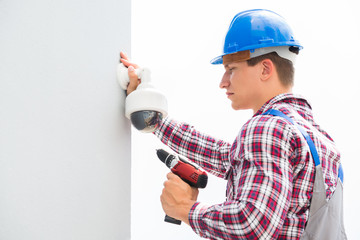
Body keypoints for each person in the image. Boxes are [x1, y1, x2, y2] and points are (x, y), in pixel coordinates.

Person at [120, 9, 346, 240]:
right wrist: (154, 119)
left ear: (265, 69)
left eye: (231, 69)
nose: (223, 82)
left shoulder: (267, 128)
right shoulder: (319, 139)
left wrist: (185, 209)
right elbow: (227, 156)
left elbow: (253, 224)